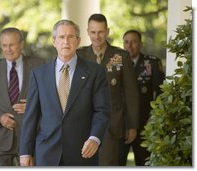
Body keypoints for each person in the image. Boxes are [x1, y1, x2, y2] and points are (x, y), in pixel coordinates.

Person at [19, 19, 111, 166]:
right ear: (54, 41)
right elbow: (31, 116)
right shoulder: (39, 74)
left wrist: (95, 138)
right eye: (61, 37)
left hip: (82, 152)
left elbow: (102, 111)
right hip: (46, 152)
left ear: (78, 41)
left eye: (71, 37)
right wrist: (25, 151)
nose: (66, 42)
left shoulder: (95, 72)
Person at [77, 14, 139, 166]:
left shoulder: (120, 56)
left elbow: (131, 94)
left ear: (107, 31)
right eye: (93, 32)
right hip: (83, 124)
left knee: (107, 164)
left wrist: (132, 125)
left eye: (100, 32)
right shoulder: (79, 56)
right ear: (88, 32)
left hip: (111, 126)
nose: (96, 36)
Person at [0, 27, 43, 166]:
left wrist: (32, 106)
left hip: (31, 139)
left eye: (12, 45)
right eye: (4, 45)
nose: (8, 49)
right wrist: (0, 117)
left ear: (21, 44)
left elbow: (50, 98)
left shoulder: (39, 65)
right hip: (0, 141)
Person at [118, 29, 165, 166]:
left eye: (133, 42)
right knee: (117, 162)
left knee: (144, 163)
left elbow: (161, 92)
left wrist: (154, 116)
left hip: (145, 123)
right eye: (126, 42)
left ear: (141, 44)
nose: (129, 46)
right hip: (122, 123)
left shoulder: (152, 63)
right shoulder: (115, 62)